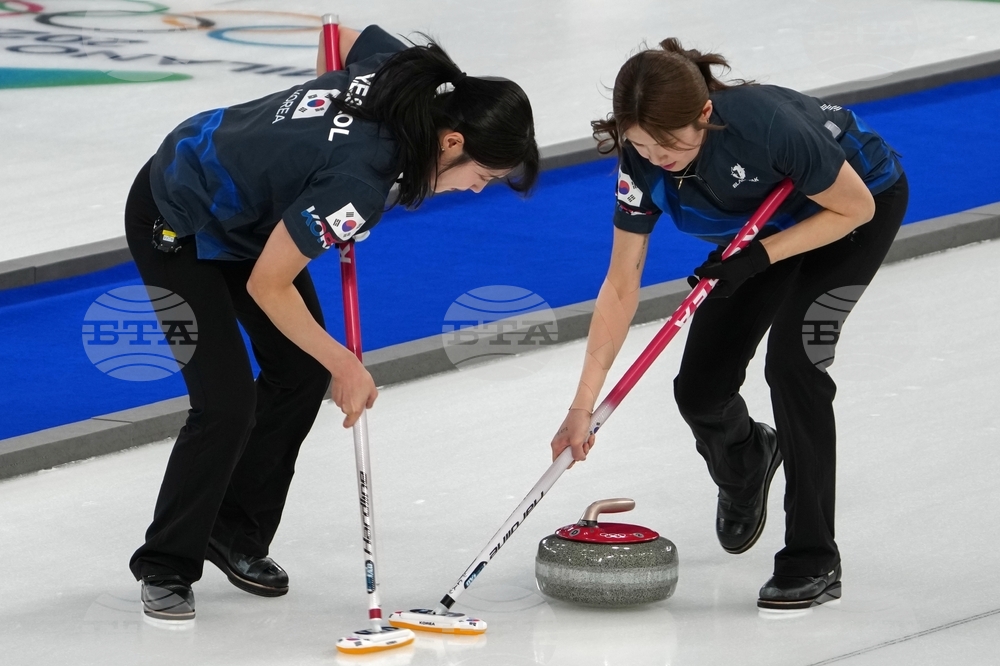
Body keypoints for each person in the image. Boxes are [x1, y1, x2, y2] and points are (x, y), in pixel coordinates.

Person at [125, 22, 539, 621]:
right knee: (225, 402)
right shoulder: (357, 184)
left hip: (249, 212)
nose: (476, 191)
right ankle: (165, 563)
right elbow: (268, 286)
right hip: (175, 215)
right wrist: (344, 362)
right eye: (484, 176)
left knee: (296, 371)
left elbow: (346, 35)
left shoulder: (412, 81)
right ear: (451, 142)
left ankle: (233, 530)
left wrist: (310, 149)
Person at [550, 38, 907, 611]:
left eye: (668, 143)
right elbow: (620, 285)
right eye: (640, 144)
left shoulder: (767, 126)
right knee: (700, 388)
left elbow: (855, 208)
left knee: (795, 364)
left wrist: (761, 258)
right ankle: (747, 457)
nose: (655, 156)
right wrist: (581, 406)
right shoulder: (638, 160)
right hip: (757, 232)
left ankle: (812, 557)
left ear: (706, 115)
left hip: (853, 211)